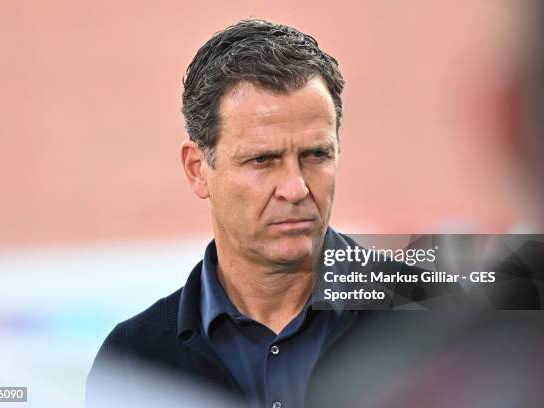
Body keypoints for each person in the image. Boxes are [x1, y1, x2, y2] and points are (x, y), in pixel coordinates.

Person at [86, 19, 363, 408]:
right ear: (198, 169)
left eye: (316, 154)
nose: (296, 188)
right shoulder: (134, 360)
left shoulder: (433, 318)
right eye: (263, 160)